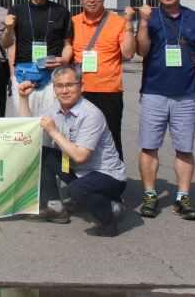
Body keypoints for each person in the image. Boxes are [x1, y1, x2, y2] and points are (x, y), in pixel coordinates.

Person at [135, 0, 195, 221]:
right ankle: (149, 194)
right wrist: (144, 22)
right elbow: (141, 50)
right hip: (154, 92)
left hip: (186, 94)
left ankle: (182, 196)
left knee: (184, 148)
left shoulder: (194, 18)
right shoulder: (151, 17)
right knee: (149, 146)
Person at [17, 67, 127, 236]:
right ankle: (55, 207)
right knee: (43, 153)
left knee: (77, 190)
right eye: (59, 86)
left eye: (70, 85)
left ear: (81, 86)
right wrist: (24, 98)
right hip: (79, 170)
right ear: (54, 89)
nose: (64, 90)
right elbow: (31, 130)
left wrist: (53, 131)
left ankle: (109, 216)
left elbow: (80, 156)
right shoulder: (55, 108)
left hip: (107, 176)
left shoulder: (91, 114)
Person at [70, 0, 136, 160]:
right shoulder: (73, 22)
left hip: (109, 92)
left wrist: (129, 23)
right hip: (79, 92)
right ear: (80, 0)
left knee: (110, 138)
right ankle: (81, 179)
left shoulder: (118, 22)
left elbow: (129, 53)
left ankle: (114, 180)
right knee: (79, 139)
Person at [8, 0, 73, 115]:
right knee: (25, 129)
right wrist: (12, 75)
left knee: (50, 127)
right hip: (23, 76)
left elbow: (68, 44)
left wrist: (64, 60)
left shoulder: (61, 11)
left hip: (52, 78)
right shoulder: (17, 10)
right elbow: (9, 44)